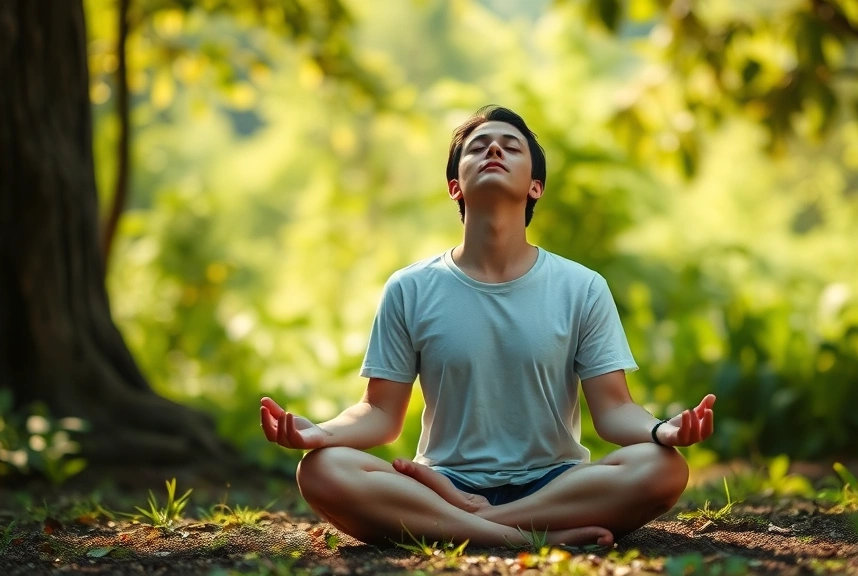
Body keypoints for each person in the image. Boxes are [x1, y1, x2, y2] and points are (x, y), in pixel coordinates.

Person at [260, 105, 717, 548]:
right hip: (440, 482)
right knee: (320, 469)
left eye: (510, 147)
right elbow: (379, 415)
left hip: (556, 484)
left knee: (664, 468)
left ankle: (473, 524)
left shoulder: (582, 287)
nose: (494, 151)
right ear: (455, 187)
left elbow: (615, 410)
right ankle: (524, 537)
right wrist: (321, 434)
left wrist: (663, 431)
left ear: (535, 186)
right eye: (479, 147)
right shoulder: (410, 288)